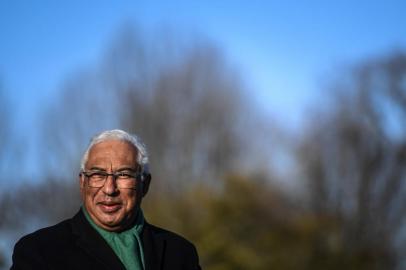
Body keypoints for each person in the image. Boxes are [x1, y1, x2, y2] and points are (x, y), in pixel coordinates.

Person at [11, 129, 201, 270]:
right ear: (82, 183)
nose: (109, 189)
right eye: (98, 175)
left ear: (145, 184)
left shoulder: (181, 254)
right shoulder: (40, 251)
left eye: (124, 174)